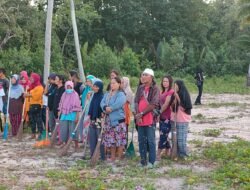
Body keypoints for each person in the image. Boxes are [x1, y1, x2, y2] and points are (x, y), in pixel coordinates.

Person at [134, 68, 160, 168]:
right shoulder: (140, 88)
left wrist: (141, 114)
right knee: (141, 140)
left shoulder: (155, 89)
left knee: (151, 140)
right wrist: (137, 115)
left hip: (150, 118)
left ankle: (152, 161)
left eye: (145, 75)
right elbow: (136, 101)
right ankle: (143, 161)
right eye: (142, 75)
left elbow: (154, 104)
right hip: (140, 118)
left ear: (151, 77)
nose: (143, 77)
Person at [101, 77, 126, 162]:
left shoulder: (121, 94)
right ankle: (112, 157)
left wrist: (110, 108)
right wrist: (104, 107)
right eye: (111, 83)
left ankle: (119, 157)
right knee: (111, 140)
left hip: (118, 121)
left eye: (114, 83)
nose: (112, 85)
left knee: (119, 140)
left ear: (119, 84)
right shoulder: (107, 94)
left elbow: (119, 103)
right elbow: (102, 102)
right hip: (108, 120)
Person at [170, 80, 192, 159]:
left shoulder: (184, 94)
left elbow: (186, 107)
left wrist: (178, 98)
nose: (174, 87)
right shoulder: (173, 94)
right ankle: (176, 153)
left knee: (181, 139)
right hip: (174, 119)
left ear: (180, 86)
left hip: (182, 119)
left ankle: (183, 154)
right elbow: (171, 107)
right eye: (174, 86)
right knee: (174, 138)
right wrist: (173, 102)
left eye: (176, 86)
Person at [58, 81, 82, 150]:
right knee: (64, 129)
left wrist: (77, 117)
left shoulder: (75, 94)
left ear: (72, 87)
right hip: (64, 114)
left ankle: (76, 145)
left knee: (73, 130)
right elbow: (61, 103)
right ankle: (65, 144)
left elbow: (78, 106)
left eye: (70, 87)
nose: (69, 88)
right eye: (67, 87)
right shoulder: (64, 94)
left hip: (72, 114)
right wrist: (60, 111)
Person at [157, 75, 174, 160]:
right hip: (161, 117)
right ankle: (168, 151)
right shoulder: (161, 92)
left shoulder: (171, 91)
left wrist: (159, 112)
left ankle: (158, 154)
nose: (164, 83)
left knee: (163, 135)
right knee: (164, 134)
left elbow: (166, 104)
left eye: (166, 81)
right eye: (163, 81)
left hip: (168, 117)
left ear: (170, 82)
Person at [88, 80, 105, 160]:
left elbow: (102, 109)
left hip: (99, 120)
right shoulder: (94, 95)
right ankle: (92, 155)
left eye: (96, 86)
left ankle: (101, 156)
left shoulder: (102, 97)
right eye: (94, 86)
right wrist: (90, 115)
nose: (94, 88)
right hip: (93, 119)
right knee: (92, 137)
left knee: (99, 137)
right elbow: (91, 107)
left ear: (100, 88)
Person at [24, 73, 44, 139]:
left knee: (38, 120)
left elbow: (37, 97)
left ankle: (40, 133)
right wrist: (27, 93)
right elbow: (29, 94)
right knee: (32, 120)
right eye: (31, 78)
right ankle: (33, 134)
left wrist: (28, 94)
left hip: (37, 105)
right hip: (31, 105)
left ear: (36, 79)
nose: (31, 79)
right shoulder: (32, 86)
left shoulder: (40, 87)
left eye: (32, 78)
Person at [79, 75, 95, 142]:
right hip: (83, 108)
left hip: (89, 110)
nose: (87, 82)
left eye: (89, 81)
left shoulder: (92, 90)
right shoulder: (86, 89)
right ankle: (83, 138)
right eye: (87, 81)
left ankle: (88, 140)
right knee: (82, 123)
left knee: (87, 125)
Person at [121, 77, 134, 148]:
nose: (122, 84)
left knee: (125, 128)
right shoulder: (121, 90)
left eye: (123, 82)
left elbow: (128, 102)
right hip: (121, 111)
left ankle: (124, 145)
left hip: (125, 111)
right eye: (121, 82)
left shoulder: (128, 91)